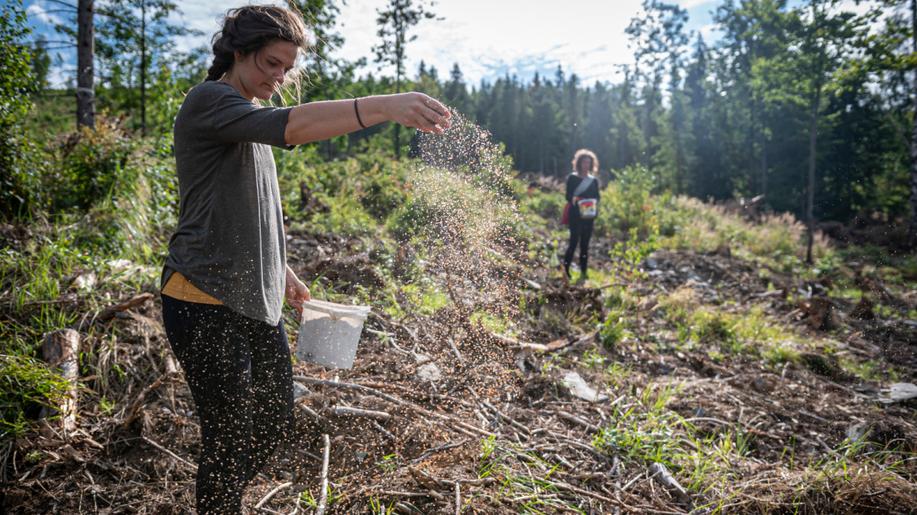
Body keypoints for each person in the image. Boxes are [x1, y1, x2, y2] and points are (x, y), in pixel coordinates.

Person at [158, 5, 451, 513]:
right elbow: (293, 126)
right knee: (227, 435)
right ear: (238, 52)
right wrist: (385, 105)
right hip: (201, 297)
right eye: (271, 63)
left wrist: (281, 268)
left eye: (287, 67)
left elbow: (239, 204)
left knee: (272, 421)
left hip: (253, 296)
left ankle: (223, 499)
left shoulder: (245, 117)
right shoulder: (211, 101)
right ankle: (220, 505)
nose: (279, 76)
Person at [562, 149, 601, 283]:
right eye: (584, 162)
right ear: (579, 163)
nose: (586, 165)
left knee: (585, 244)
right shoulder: (572, 178)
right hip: (575, 215)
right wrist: (577, 199)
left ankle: (583, 272)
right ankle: (566, 270)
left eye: (589, 162)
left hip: (588, 216)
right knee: (573, 242)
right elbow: (568, 196)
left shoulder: (593, 180)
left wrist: (590, 201)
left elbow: (597, 197)